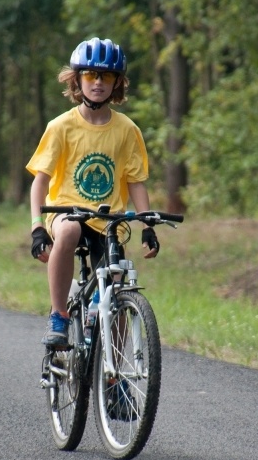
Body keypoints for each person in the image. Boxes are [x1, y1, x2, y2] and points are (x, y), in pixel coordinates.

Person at [26, 37, 160, 349]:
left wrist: (148, 226)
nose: (98, 82)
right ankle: (59, 315)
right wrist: (36, 227)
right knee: (70, 229)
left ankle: (113, 374)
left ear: (117, 83)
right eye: (90, 75)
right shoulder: (61, 127)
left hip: (108, 220)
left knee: (118, 286)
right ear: (77, 80)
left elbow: (136, 181)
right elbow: (40, 183)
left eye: (106, 76)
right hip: (64, 212)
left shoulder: (127, 130)